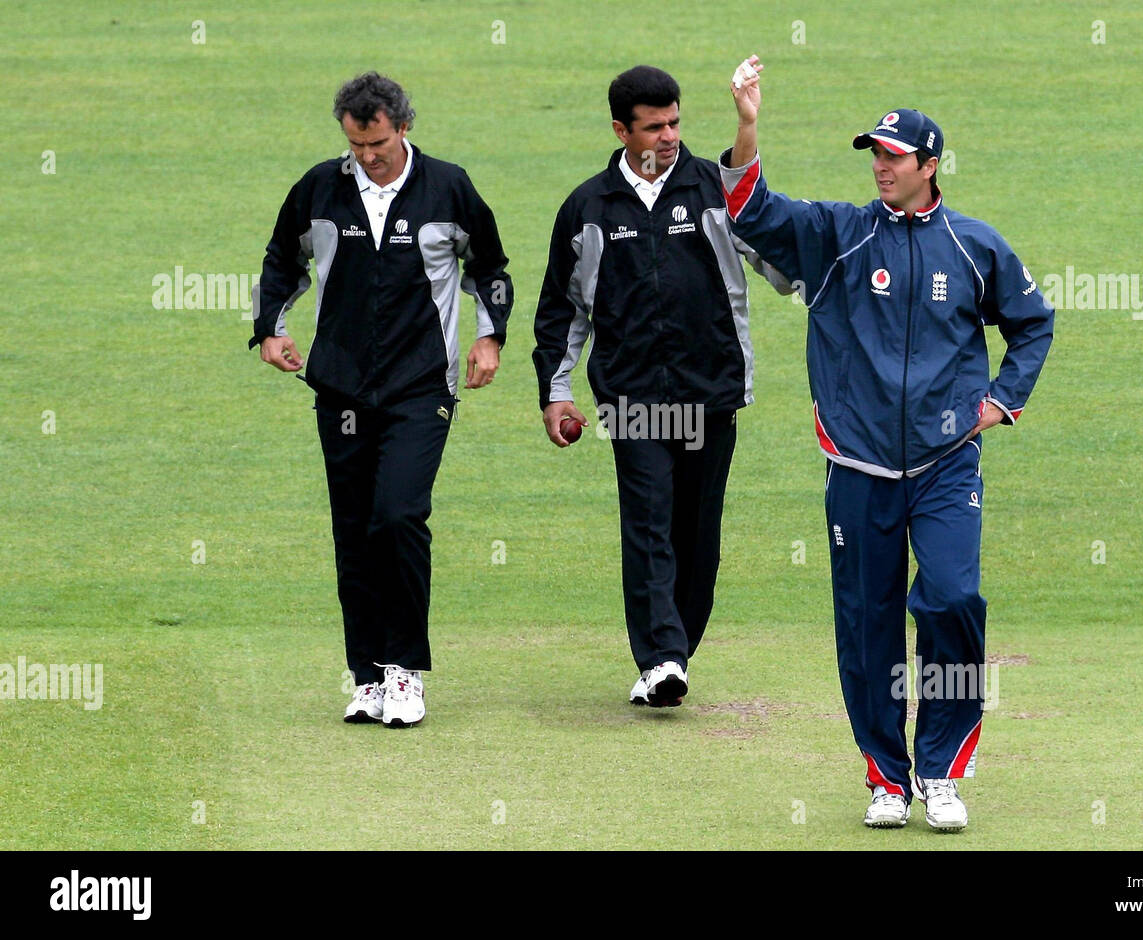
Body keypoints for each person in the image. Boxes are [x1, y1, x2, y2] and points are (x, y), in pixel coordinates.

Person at [721, 56, 1053, 830]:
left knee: (951, 598)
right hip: (859, 465)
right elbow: (751, 210)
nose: (880, 166)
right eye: (873, 153)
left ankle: (941, 770)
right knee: (867, 621)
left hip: (945, 464)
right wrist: (746, 126)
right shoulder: (837, 233)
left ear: (930, 166)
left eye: (893, 156)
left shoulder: (974, 246)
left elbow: (1032, 322)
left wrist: (1002, 401)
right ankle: (886, 777)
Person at [250, 72, 513, 728]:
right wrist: (270, 328)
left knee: (397, 515)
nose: (366, 157)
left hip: (421, 387)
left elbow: (491, 269)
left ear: (403, 127)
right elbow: (283, 260)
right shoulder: (320, 187)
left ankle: (405, 673)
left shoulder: (448, 187)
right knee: (355, 532)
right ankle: (366, 677)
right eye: (356, 144)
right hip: (339, 387)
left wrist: (490, 336)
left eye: (378, 143)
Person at [532, 65, 789, 708]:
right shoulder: (587, 208)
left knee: (696, 534)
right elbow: (563, 313)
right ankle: (662, 657)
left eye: (675, 122)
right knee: (647, 520)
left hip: (712, 392)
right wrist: (556, 391)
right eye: (654, 127)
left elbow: (777, 257)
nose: (669, 135)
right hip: (631, 396)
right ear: (621, 130)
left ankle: (675, 648)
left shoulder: (712, 187)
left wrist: (749, 129)